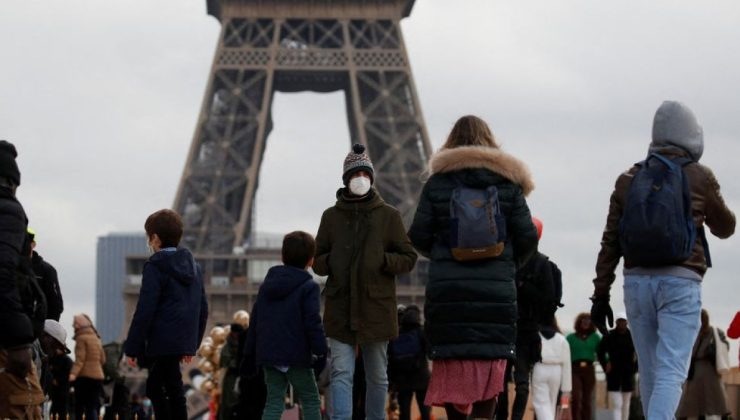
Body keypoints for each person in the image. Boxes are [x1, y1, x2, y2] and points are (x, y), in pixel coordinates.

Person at [590, 101, 736, 419]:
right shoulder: (699, 176)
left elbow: (610, 242)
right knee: (672, 371)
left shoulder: (629, 178)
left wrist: (600, 294)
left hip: (637, 282)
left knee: (652, 371)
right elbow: (726, 227)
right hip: (681, 281)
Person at [407, 115, 538, 420]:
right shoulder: (507, 183)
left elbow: (418, 235)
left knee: (453, 368)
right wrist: (506, 263)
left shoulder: (438, 183)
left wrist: (444, 255)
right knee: (489, 381)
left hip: (449, 294)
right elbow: (528, 236)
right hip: (495, 297)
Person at [313, 143, 418, 420]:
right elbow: (318, 259)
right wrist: (333, 260)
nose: (361, 178)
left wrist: (382, 261)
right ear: (347, 179)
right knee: (341, 374)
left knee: (378, 376)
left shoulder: (389, 216)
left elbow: (408, 257)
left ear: (371, 178)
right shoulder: (331, 217)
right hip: (341, 306)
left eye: (365, 174)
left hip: (376, 307)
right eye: (355, 174)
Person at [124, 209, 209, 420]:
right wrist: (192, 344)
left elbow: (145, 309)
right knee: (170, 386)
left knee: (161, 387)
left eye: (148, 237)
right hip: (181, 338)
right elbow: (203, 308)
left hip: (162, 339)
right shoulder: (195, 268)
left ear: (155, 238)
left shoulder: (155, 266)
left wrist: (132, 347)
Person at [244, 231, 328, 420]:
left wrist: (249, 354)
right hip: (297, 355)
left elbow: (255, 320)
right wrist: (321, 350)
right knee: (310, 399)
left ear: (282, 256)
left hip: (269, 354)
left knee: (274, 401)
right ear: (311, 261)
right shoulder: (309, 287)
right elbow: (312, 322)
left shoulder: (266, 286)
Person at [496, 216, 561, 420]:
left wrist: (523, 287)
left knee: (520, 385)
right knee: (503, 384)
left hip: (524, 331)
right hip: (510, 330)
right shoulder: (507, 260)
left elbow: (548, 299)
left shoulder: (541, 265)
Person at [0, 140, 46, 419]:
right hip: (6, 339)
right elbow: (3, 272)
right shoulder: (8, 210)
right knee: (23, 408)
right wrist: (19, 341)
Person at [676, 309, 730, 420]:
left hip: (702, 370)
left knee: (695, 403)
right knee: (708, 401)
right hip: (705, 371)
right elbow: (725, 346)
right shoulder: (697, 334)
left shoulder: (706, 333)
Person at [387, 305, 431, 420]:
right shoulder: (421, 332)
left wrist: (391, 380)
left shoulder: (396, 333)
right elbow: (429, 351)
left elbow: (390, 358)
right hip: (421, 377)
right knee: (424, 409)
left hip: (402, 379)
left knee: (404, 411)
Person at [596, 312, 637, 420]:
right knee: (616, 403)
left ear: (627, 322)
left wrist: (635, 368)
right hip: (613, 373)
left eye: (623, 321)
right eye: (620, 321)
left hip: (628, 373)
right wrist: (605, 365)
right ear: (616, 322)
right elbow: (600, 352)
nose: (622, 323)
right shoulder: (609, 335)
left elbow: (640, 353)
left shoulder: (633, 336)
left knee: (626, 402)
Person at [531, 314, 571, 420]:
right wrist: (566, 389)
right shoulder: (562, 339)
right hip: (557, 371)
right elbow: (567, 365)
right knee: (552, 403)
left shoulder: (535, 336)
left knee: (541, 403)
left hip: (540, 368)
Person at [70, 313, 106, 420]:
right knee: (92, 406)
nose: (73, 327)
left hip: (84, 378)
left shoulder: (81, 339)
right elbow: (103, 360)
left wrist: (73, 374)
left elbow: (80, 359)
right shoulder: (97, 338)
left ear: (78, 325)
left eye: (74, 325)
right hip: (98, 377)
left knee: (79, 407)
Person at [566, 313, 600, 420]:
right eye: (583, 321)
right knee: (576, 397)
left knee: (587, 399)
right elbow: (564, 353)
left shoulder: (595, 337)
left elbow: (602, 352)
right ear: (579, 322)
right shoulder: (570, 338)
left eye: (588, 321)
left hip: (589, 369)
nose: (586, 323)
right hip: (574, 369)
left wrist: (607, 361)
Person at [26, 228, 64, 321]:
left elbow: (56, 305)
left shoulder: (47, 270)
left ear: (33, 244)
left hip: (36, 330)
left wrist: (45, 331)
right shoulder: (8, 267)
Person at [38, 320, 73, 418]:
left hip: (61, 392)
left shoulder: (45, 358)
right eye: (55, 345)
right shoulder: (39, 355)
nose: (56, 350)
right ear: (45, 336)